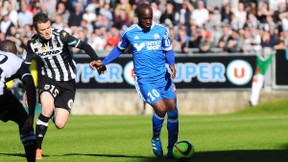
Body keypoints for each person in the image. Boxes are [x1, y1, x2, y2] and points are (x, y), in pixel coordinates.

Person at [91, 3, 179, 159]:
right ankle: (156, 137)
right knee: (160, 108)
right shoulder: (130, 32)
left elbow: (168, 49)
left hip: (163, 77)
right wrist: (103, 62)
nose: (148, 21)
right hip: (145, 80)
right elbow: (119, 48)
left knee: (173, 111)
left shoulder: (161, 30)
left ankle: (172, 150)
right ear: (138, 17)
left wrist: (171, 63)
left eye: (150, 18)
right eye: (145, 18)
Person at [22, 12, 103, 160]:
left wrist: (96, 60)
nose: (47, 32)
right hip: (48, 79)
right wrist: (28, 90)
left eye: (48, 28)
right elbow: (24, 68)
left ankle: (51, 115)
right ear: (36, 30)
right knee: (46, 109)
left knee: (59, 124)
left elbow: (84, 45)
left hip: (68, 83)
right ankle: (37, 148)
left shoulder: (61, 36)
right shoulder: (32, 44)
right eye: (43, 30)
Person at [0, 40, 37, 162]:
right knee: (24, 121)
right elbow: (29, 83)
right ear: (14, 53)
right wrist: (31, 116)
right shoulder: (16, 60)